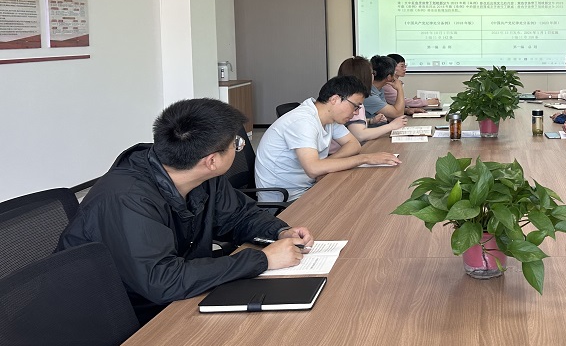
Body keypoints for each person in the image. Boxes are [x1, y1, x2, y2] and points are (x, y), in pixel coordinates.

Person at [58, 98, 313, 325]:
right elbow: (162, 281)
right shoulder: (128, 199)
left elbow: (239, 216)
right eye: (235, 144)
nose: (239, 147)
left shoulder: (200, 175)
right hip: (112, 318)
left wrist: (279, 231)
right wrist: (262, 260)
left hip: (173, 298)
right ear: (212, 161)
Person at [255, 75, 401, 202]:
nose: (356, 113)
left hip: (308, 187)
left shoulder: (329, 118)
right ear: (335, 99)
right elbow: (313, 169)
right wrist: (365, 158)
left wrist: (325, 164)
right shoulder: (303, 121)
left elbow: (353, 144)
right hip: (287, 200)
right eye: (355, 106)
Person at [338, 56, 407, 143]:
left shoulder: (349, 95)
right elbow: (360, 135)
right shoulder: (354, 100)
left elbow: (352, 123)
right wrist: (392, 126)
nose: (373, 76)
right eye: (372, 73)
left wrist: (371, 121)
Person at [364, 55, 406, 120]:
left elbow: (387, 114)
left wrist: (406, 110)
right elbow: (398, 114)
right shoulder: (369, 95)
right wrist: (399, 88)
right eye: (394, 72)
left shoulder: (379, 89)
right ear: (389, 77)